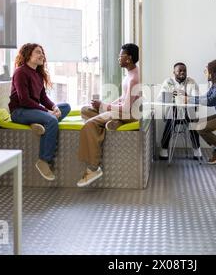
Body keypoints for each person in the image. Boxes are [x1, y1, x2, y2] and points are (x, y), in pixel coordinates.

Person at [77, 43, 140, 187]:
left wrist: (104, 107)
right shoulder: (130, 73)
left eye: (120, 56)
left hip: (128, 113)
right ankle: (113, 123)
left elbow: (126, 107)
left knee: (90, 124)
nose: (118, 58)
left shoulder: (134, 78)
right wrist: (105, 105)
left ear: (128, 58)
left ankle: (93, 168)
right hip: (122, 111)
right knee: (85, 110)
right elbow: (123, 98)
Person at [9, 43, 71, 181]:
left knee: (65, 107)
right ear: (28, 55)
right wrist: (47, 113)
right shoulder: (20, 72)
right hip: (20, 111)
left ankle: (37, 121)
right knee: (51, 120)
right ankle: (43, 160)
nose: (42, 55)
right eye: (38, 52)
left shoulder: (37, 74)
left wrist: (54, 107)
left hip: (32, 110)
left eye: (42, 52)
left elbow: (42, 97)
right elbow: (24, 100)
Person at [158, 62, 201, 160]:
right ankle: (164, 149)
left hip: (188, 114)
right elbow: (160, 98)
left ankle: (197, 150)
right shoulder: (168, 81)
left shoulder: (191, 82)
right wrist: (174, 94)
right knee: (171, 117)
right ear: (174, 72)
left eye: (184, 70)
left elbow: (196, 98)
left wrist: (185, 96)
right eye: (180, 70)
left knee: (192, 121)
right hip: (172, 113)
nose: (182, 72)